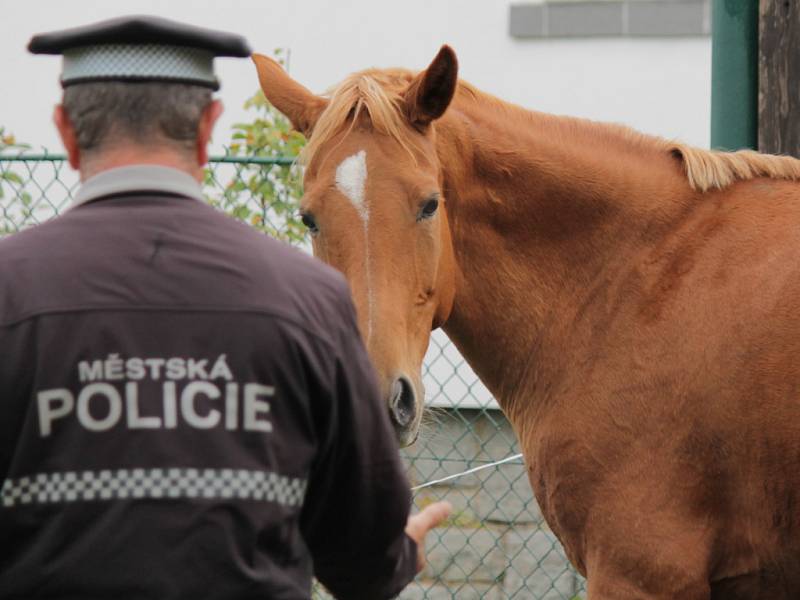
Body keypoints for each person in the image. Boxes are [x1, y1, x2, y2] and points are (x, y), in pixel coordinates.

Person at [0, 15, 450, 600]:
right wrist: (397, 554)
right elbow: (362, 561)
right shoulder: (308, 299)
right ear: (210, 130)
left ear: (65, 130)